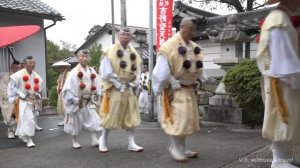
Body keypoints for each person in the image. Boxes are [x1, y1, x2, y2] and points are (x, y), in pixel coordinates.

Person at [152, 17, 204, 161]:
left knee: (188, 120)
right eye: (191, 29)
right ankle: (174, 147)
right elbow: (160, 71)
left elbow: (198, 66)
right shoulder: (169, 46)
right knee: (179, 119)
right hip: (175, 89)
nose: (193, 32)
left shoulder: (193, 46)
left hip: (189, 88)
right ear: (183, 27)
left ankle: (182, 148)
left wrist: (198, 79)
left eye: (194, 30)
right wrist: (171, 80)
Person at [256, 0, 300, 167]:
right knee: (281, 117)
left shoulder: (280, 17)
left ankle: (285, 156)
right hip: (282, 78)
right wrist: (295, 79)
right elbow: (284, 59)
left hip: (281, 77)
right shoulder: (279, 19)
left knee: (284, 117)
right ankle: (279, 160)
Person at [99, 28, 143, 153]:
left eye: (128, 35)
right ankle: (103, 139)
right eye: (123, 34)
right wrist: (118, 83)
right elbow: (106, 72)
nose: (125, 36)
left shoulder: (133, 52)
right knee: (110, 115)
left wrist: (135, 82)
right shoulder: (110, 51)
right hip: (115, 88)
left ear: (130, 38)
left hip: (129, 87)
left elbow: (137, 70)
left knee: (131, 115)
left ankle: (131, 142)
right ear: (118, 36)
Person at [62, 50, 102, 149]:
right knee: (75, 121)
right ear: (78, 58)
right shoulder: (73, 72)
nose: (84, 58)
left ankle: (94, 138)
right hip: (77, 100)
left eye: (86, 56)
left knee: (93, 119)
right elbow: (68, 87)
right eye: (82, 56)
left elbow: (98, 86)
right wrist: (73, 99)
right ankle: (74, 140)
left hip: (89, 100)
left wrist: (95, 96)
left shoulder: (92, 71)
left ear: (89, 58)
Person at [7, 56, 43, 147]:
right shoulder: (17, 75)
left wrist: (37, 95)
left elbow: (37, 88)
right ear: (24, 65)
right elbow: (11, 87)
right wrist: (21, 94)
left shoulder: (35, 75)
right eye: (30, 63)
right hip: (23, 101)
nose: (32, 64)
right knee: (29, 119)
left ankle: (23, 134)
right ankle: (29, 140)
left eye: (33, 63)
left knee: (26, 120)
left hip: (33, 101)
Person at [0, 61, 21, 139]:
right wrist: (12, 95)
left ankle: (16, 130)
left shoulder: (21, 76)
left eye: (19, 68)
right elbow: (3, 90)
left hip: (20, 99)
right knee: (10, 117)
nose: (18, 69)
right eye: (16, 68)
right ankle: (10, 130)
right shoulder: (5, 77)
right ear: (11, 67)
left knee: (19, 116)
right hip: (9, 100)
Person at [52, 61, 71, 126]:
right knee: (62, 108)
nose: (60, 69)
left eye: (61, 67)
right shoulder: (61, 74)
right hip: (61, 92)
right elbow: (59, 83)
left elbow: (69, 83)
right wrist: (58, 88)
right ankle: (64, 120)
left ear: (65, 67)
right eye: (59, 68)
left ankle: (68, 120)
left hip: (67, 93)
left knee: (67, 107)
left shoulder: (68, 73)